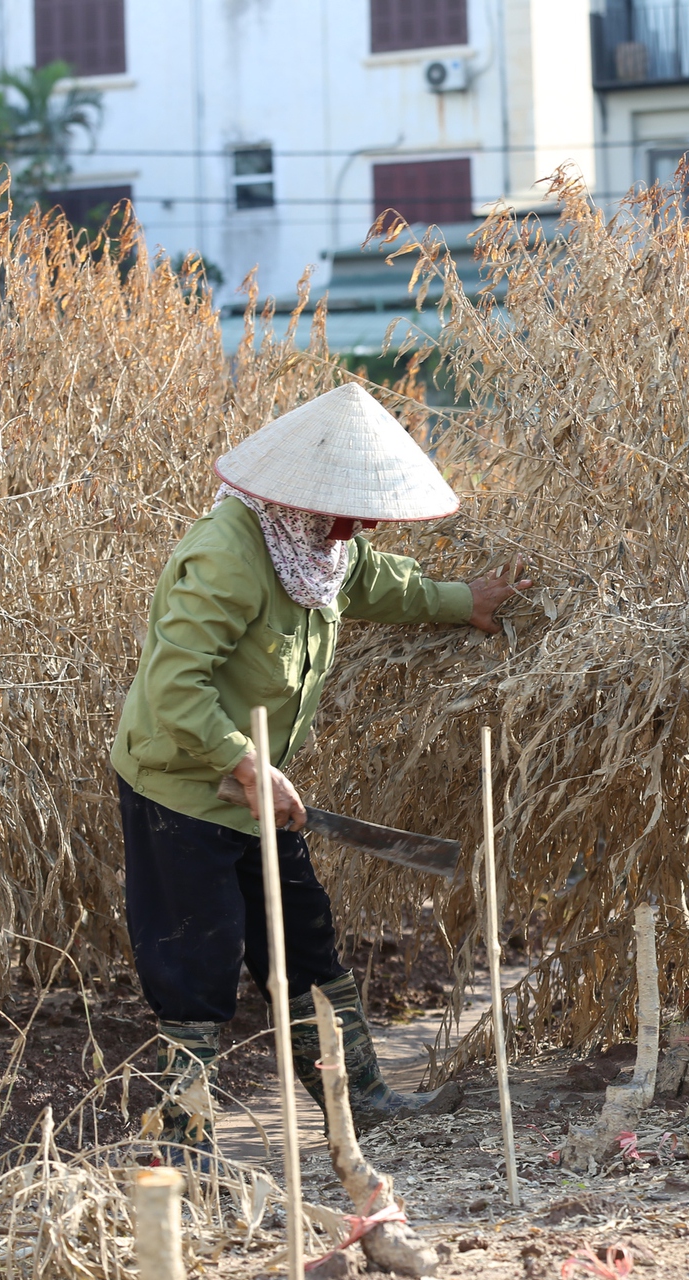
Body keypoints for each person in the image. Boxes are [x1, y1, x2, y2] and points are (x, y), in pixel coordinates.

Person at [111, 383, 530, 1155]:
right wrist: (244, 763)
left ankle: (361, 1100)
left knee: (305, 941)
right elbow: (175, 687)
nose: (363, 522)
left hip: (255, 790)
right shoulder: (228, 557)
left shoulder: (318, 547)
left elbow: (371, 580)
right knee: (197, 957)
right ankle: (182, 1142)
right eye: (352, 508)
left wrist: (459, 600)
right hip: (180, 786)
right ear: (305, 495)